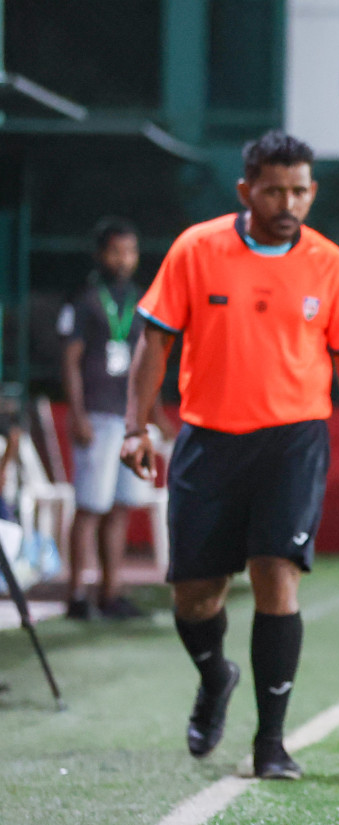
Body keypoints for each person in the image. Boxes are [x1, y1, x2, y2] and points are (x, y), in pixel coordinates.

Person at [122, 130, 339, 780]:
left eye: (299, 190)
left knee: (276, 575)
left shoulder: (332, 265)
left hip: (292, 441)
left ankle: (271, 743)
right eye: (274, 190)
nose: (288, 201)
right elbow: (152, 345)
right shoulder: (196, 249)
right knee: (195, 596)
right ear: (246, 190)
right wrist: (136, 427)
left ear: (311, 191)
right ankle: (216, 676)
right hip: (207, 442)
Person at [57, 218, 162, 620]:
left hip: (129, 419)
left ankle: (110, 591)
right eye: (116, 251)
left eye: (130, 251)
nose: (124, 259)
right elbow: (70, 361)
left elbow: (146, 363)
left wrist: (151, 415)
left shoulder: (140, 300)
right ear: (101, 254)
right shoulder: (84, 300)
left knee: (121, 506)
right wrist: (77, 413)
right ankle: (75, 595)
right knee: (90, 506)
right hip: (97, 416)